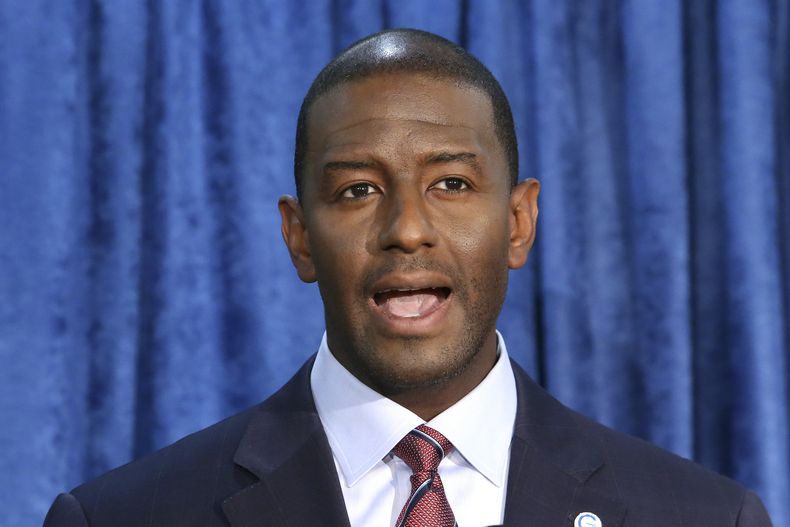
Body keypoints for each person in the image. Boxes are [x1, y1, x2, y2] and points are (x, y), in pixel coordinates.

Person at [44, 28, 772, 527]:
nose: (408, 228)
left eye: (451, 183)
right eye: (358, 189)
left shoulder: (705, 517)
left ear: (518, 222)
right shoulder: (120, 517)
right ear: (300, 237)